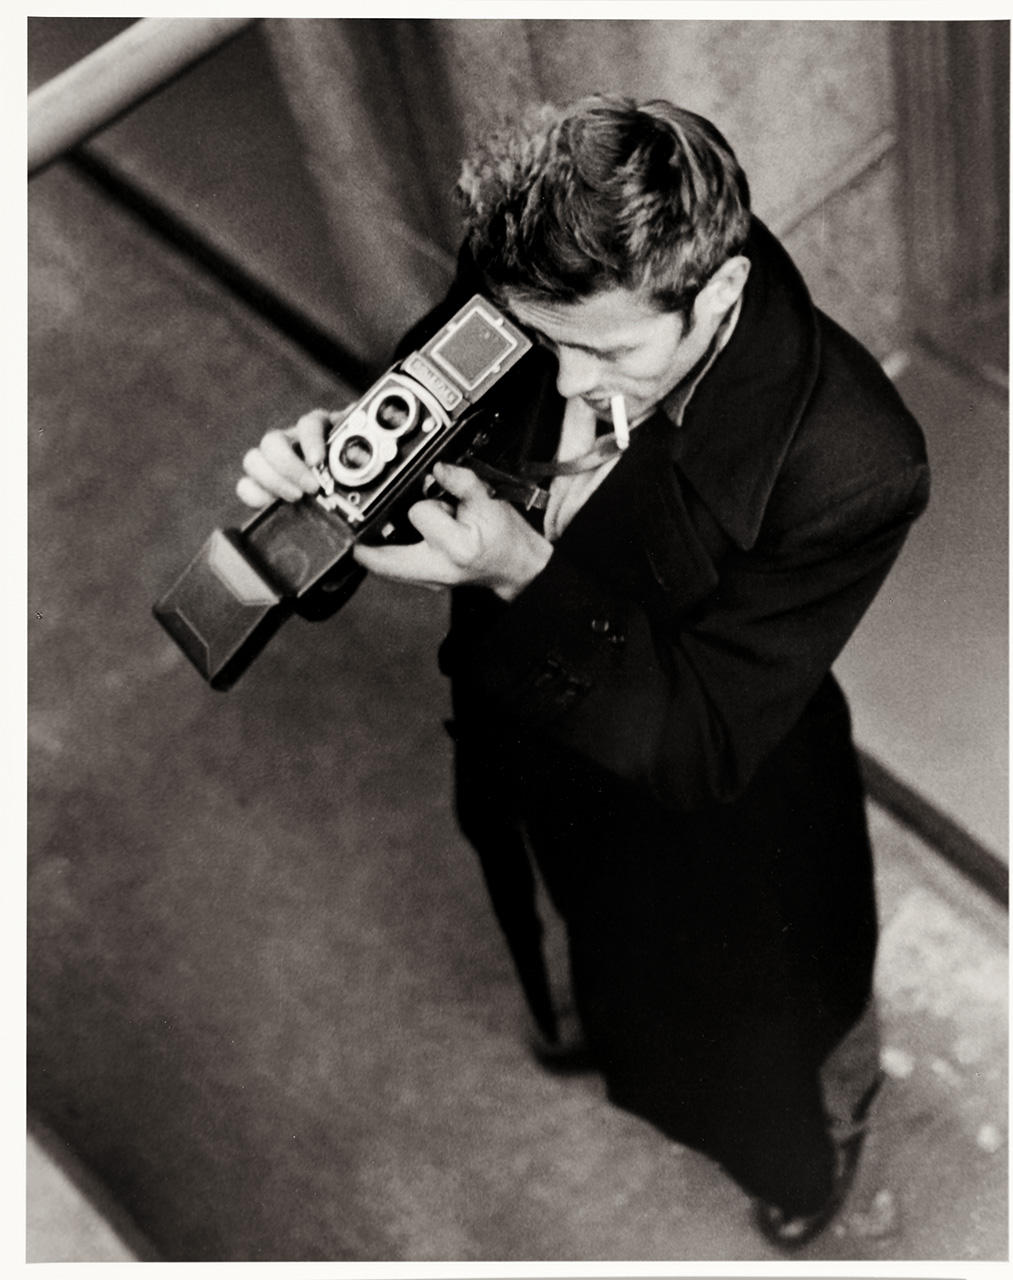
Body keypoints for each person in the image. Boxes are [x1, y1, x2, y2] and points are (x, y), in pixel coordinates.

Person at [236, 96, 929, 1248]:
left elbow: (703, 738)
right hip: (520, 743)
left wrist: (524, 573)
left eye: (605, 353)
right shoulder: (535, 271)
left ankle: (812, 1159)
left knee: (759, 1032)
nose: (559, 388)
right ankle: (582, 1012)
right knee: (572, 939)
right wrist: (328, 482)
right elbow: (416, 425)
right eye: (534, 340)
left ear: (711, 297)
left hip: (724, 818)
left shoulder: (853, 462)